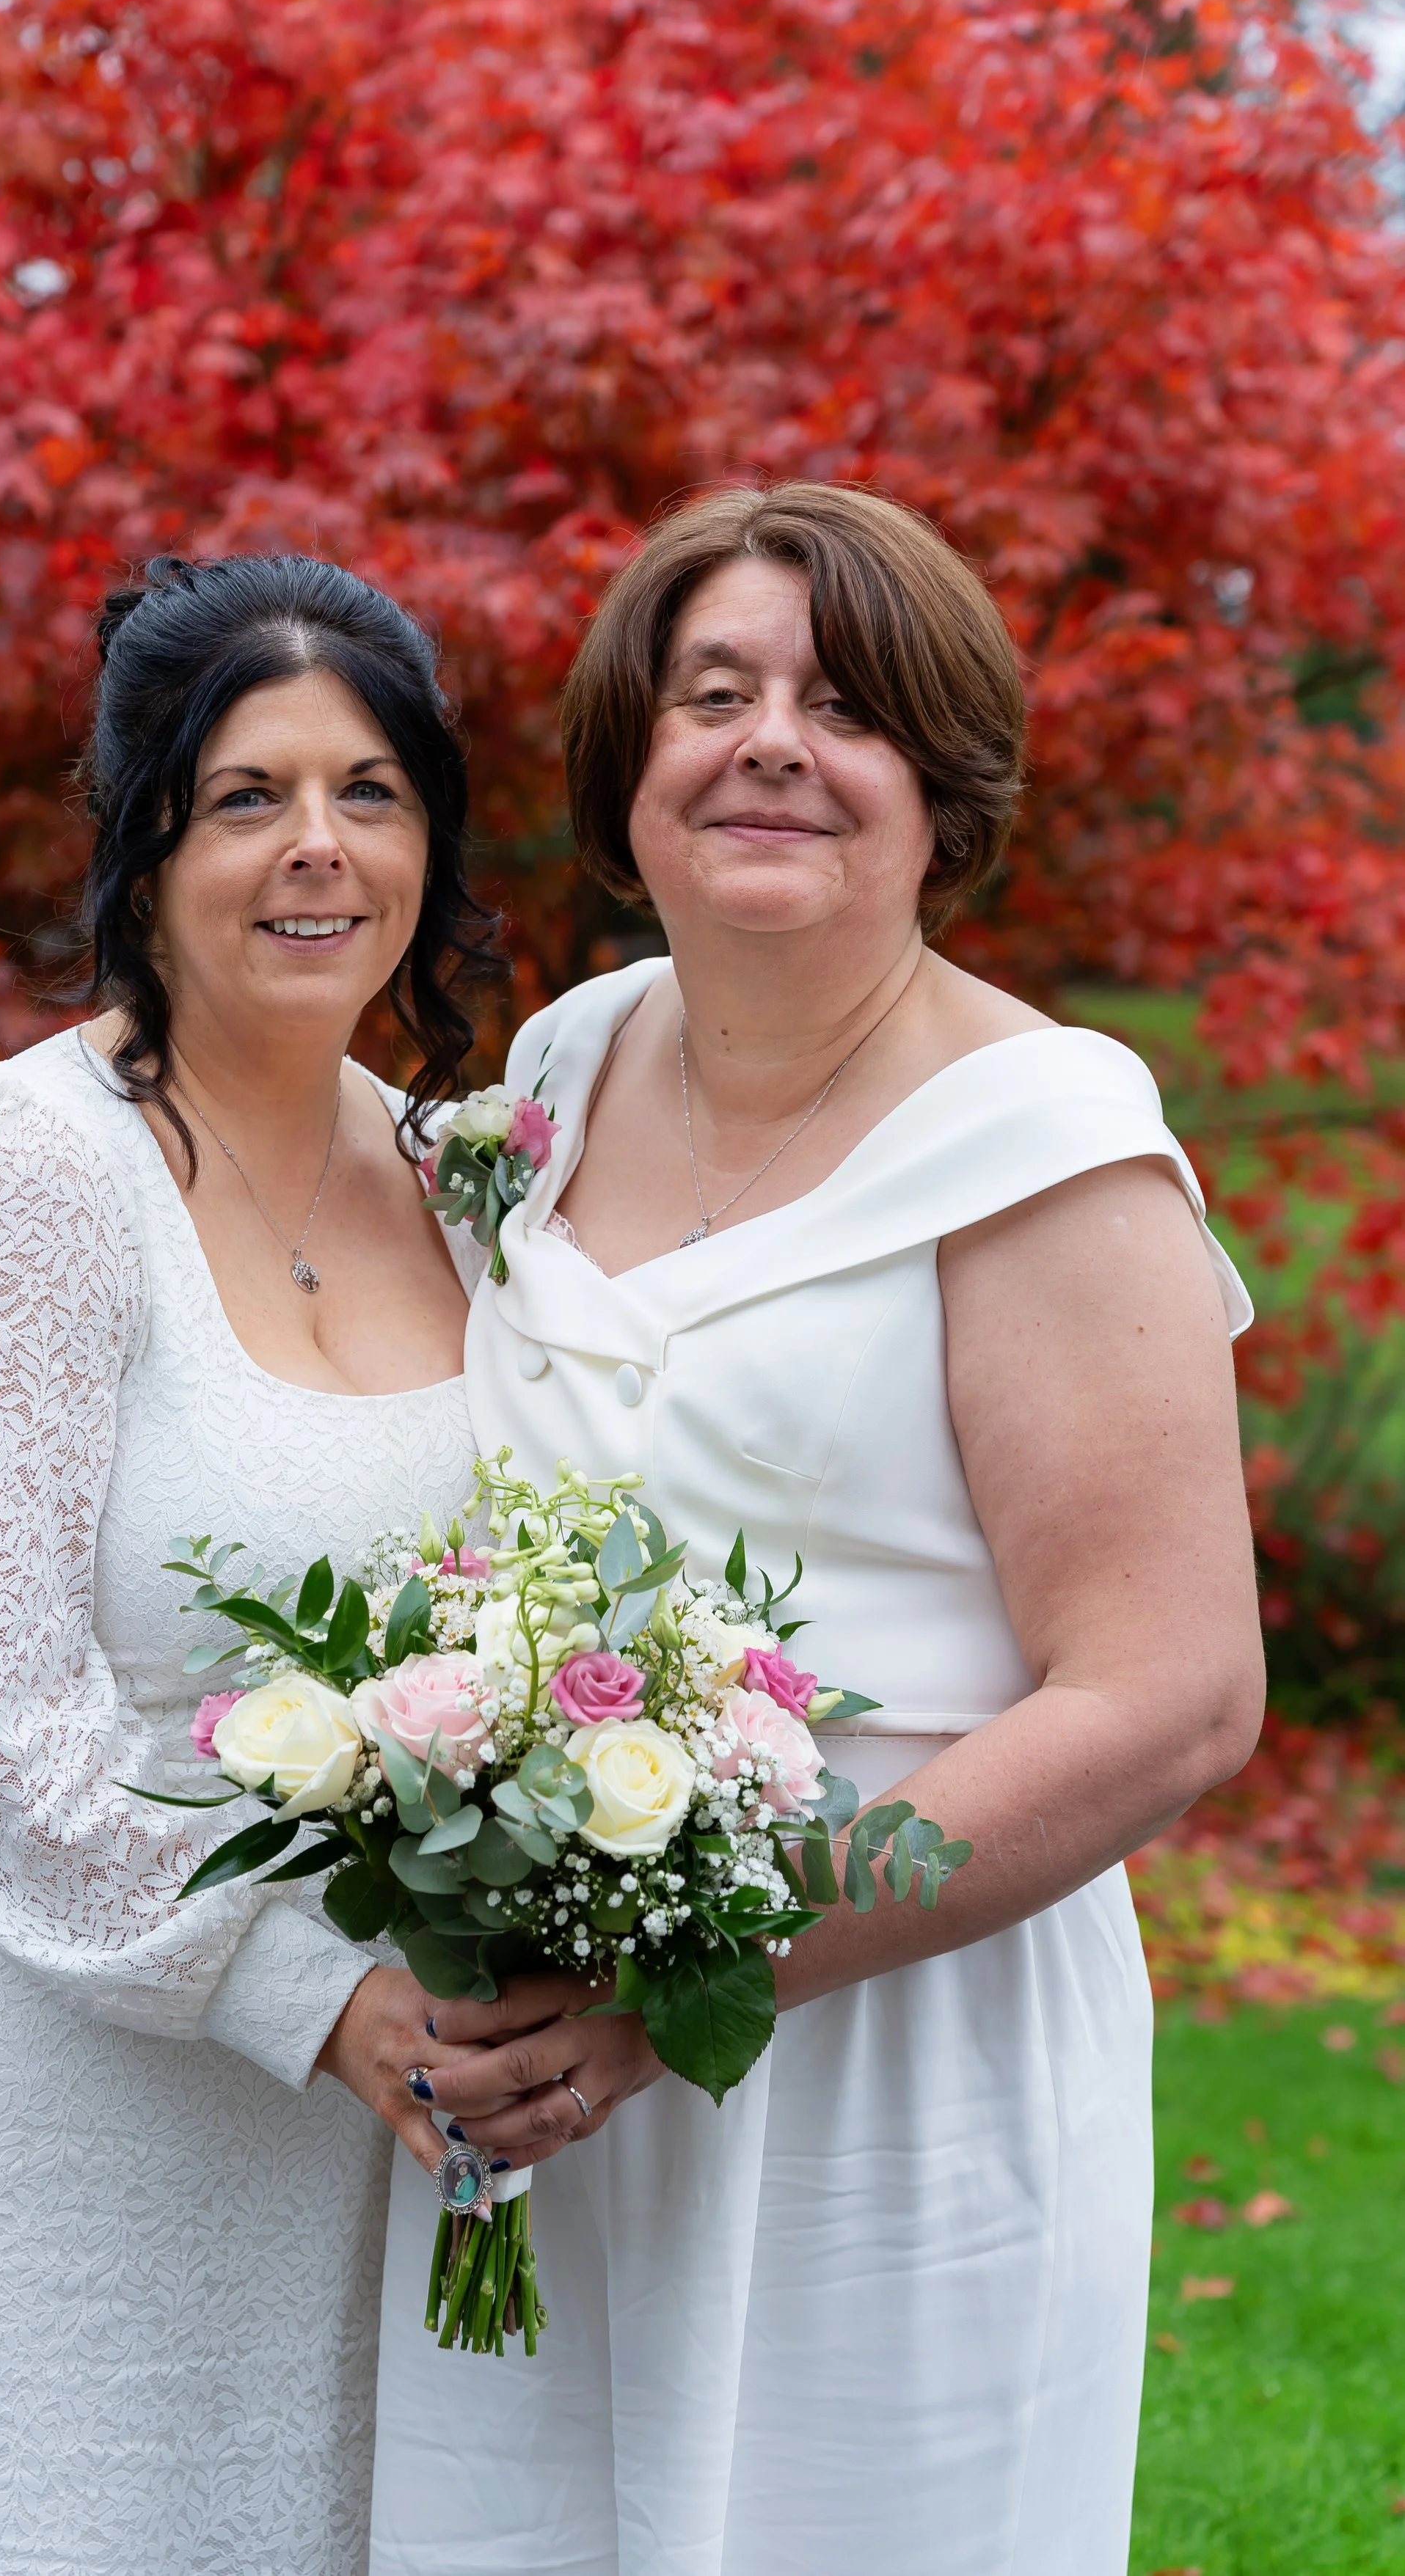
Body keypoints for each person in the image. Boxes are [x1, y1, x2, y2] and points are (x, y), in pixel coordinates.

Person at [369, 485, 1265, 2576]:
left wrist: (704, 1968)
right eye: (713, 692)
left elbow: (1167, 1695)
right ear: (629, 769)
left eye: (844, 704)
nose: (770, 740)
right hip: (547, 2022)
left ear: (938, 794)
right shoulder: (564, 1067)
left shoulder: (1044, 1152)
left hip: (889, 2043)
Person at [0, 552, 505, 2575]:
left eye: (369, 791)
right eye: (243, 793)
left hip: (357, 2111)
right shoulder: (23, 1173)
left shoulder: (461, 1178)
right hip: (33, 2081)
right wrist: (305, 1987)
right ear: (140, 834)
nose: (315, 850)